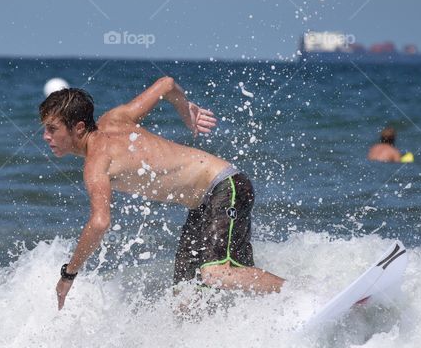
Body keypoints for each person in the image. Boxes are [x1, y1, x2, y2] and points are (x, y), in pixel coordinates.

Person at [40, 78, 286, 310]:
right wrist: (186, 110)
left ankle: (299, 294)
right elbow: (166, 84)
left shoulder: (96, 164)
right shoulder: (115, 118)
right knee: (184, 298)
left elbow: (100, 222)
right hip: (203, 203)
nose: (46, 137)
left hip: (225, 187)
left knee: (216, 274)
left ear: (79, 127)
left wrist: (68, 274)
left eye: (52, 129)